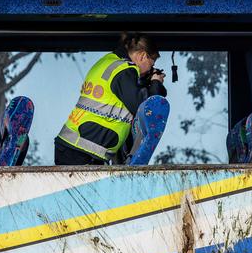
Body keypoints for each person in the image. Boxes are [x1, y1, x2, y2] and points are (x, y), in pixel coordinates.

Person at [54, 32, 167, 165]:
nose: (150, 70)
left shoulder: (109, 61)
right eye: (151, 64)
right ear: (142, 56)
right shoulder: (124, 70)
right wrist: (155, 83)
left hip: (76, 146)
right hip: (82, 150)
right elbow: (146, 107)